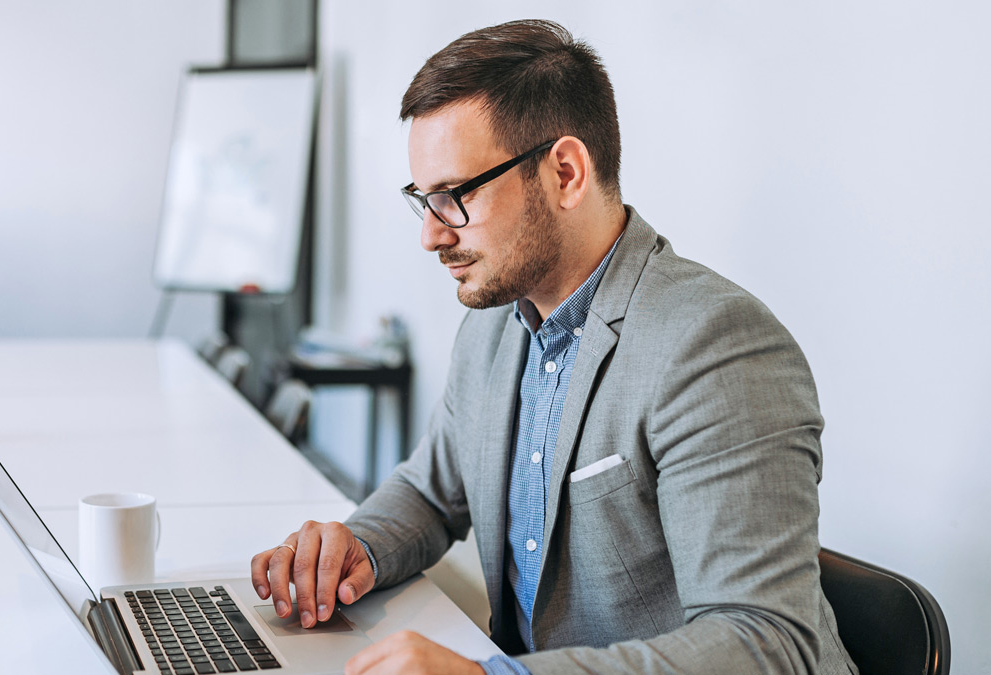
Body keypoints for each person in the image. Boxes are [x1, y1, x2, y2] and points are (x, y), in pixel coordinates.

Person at [251, 19, 857, 675]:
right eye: (423, 199)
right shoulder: (493, 323)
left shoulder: (715, 346)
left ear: (566, 172)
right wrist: (354, 548)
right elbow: (433, 492)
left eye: (456, 195)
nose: (430, 235)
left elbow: (765, 643)